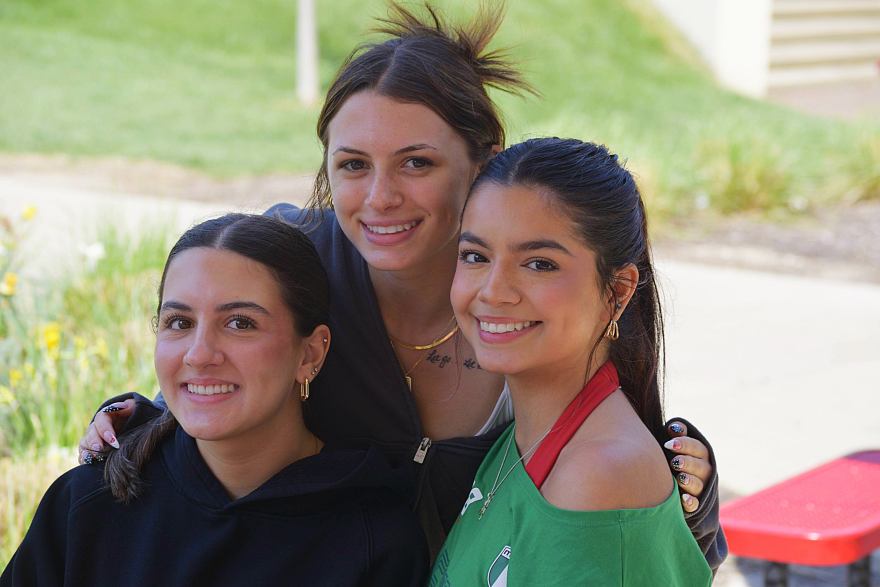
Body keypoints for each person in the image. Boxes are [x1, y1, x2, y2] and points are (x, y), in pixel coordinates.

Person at [77, 2, 725, 567]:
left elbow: (617, 504)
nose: (381, 197)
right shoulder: (292, 263)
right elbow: (208, 370)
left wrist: (692, 491)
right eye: (353, 165)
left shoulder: (533, 299)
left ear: (483, 159)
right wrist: (138, 422)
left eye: (417, 162)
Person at [2, 215, 429, 587]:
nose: (199, 353)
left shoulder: (376, 543)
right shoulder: (88, 505)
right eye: (179, 322)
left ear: (310, 353)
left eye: (240, 323)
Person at [431, 137, 713, 585]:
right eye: (475, 256)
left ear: (617, 292)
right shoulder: (523, 439)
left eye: (539, 264)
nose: (492, 291)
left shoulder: (598, 476)